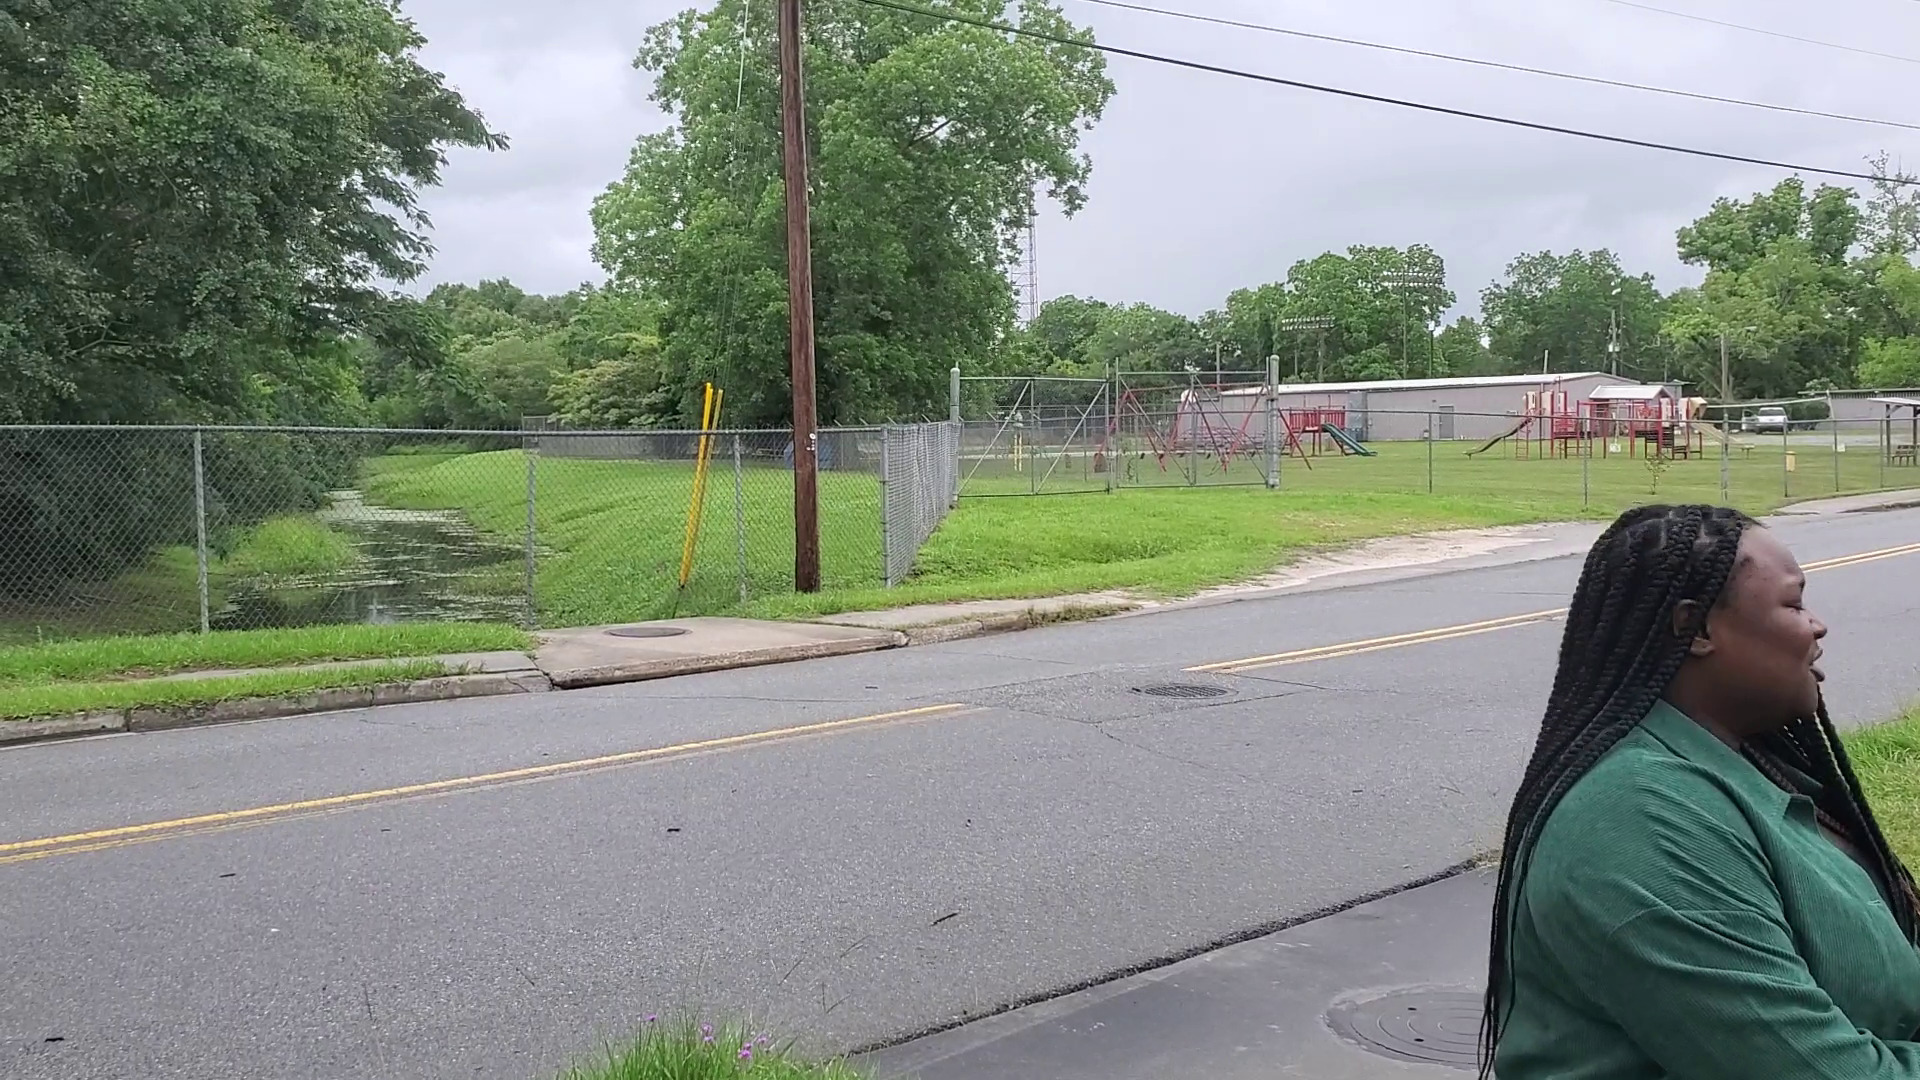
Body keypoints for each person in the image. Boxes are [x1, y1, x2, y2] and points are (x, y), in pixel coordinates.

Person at [1481, 504, 1920, 1079]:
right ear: (1696, 629)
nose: (1817, 626)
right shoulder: (1642, 821)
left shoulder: (1747, 768)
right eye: (1794, 604)